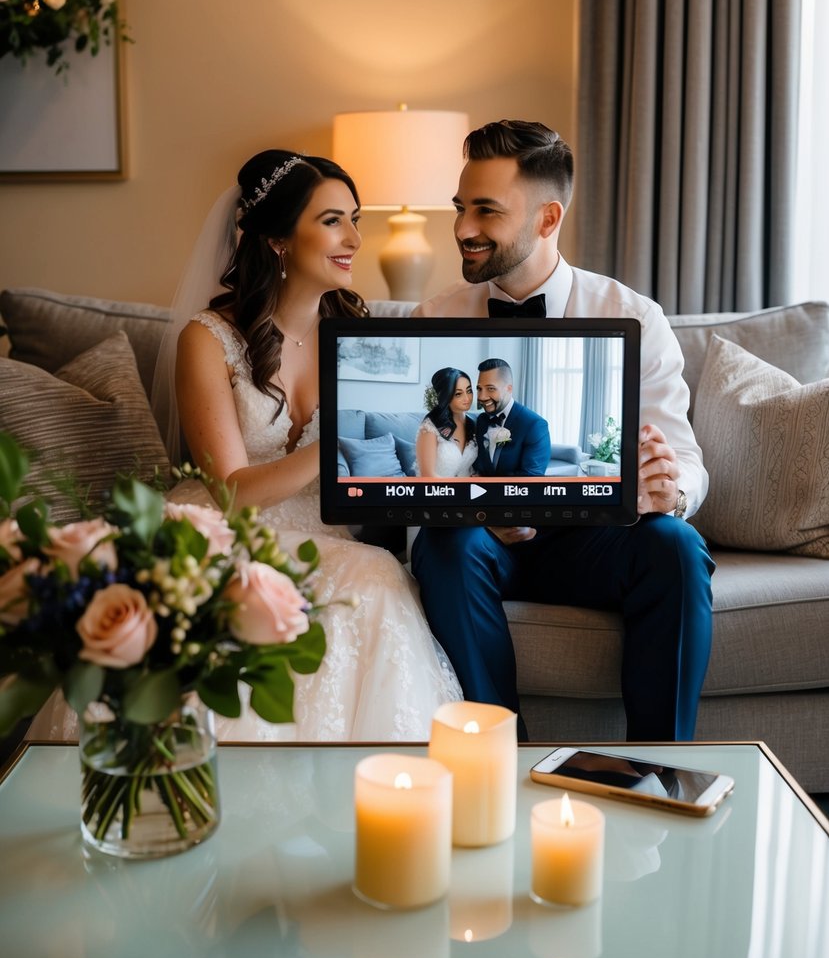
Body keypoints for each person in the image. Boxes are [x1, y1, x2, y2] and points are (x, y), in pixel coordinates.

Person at [31, 150, 462, 744]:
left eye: (355, 219)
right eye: (333, 220)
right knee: (354, 580)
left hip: (331, 534)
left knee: (375, 581)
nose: (356, 238)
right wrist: (338, 430)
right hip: (230, 529)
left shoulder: (362, 334)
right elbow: (231, 494)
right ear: (280, 240)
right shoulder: (208, 340)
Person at [412, 120, 715, 743]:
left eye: (486, 211)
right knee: (442, 546)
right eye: (461, 208)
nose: (463, 229)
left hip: (592, 542)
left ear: (547, 219)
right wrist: (470, 508)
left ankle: (657, 768)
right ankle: (502, 759)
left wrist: (670, 490)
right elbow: (422, 480)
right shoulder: (432, 317)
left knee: (677, 546)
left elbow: (685, 458)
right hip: (481, 544)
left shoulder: (634, 316)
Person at [473, 357, 550, 477]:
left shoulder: (534, 425)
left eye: (491, 389)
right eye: (479, 389)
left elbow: (531, 479)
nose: (482, 397)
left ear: (509, 389)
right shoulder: (481, 420)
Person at [415, 366, 477, 478]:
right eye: (458, 394)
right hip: (437, 491)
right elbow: (427, 475)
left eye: (469, 391)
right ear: (445, 396)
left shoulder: (473, 425)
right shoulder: (430, 428)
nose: (467, 398)